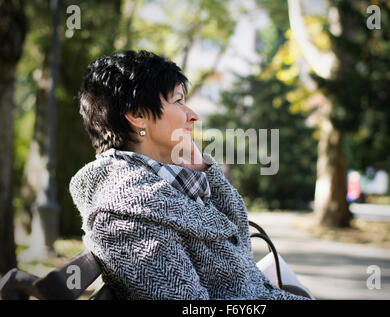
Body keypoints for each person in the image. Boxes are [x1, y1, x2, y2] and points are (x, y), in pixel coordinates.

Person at [69, 50, 308, 300]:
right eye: (178, 101)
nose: (193, 114)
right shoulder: (125, 216)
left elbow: (239, 243)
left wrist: (201, 167)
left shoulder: (165, 183)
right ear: (138, 116)